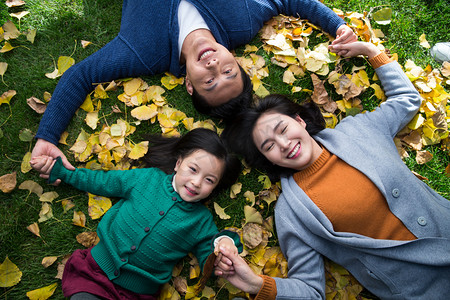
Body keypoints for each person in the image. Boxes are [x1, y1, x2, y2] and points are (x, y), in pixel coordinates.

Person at [216, 42, 450, 299]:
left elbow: (407, 100)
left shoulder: (359, 130)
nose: (283, 144)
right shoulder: (291, 214)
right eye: (269, 146)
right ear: (268, 159)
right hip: (421, 292)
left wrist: (370, 51)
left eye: (282, 129)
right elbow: (311, 291)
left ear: (299, 120)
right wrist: (257, 285)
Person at [31, 0, 357, 179]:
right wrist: (338, 26)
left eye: (209, 81)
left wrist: (47, 137)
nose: (214, 66)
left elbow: (82, 75)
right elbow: (293, 0)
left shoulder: (143, 51)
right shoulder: (243, 19)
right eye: (228, 71)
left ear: (188, 83)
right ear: (235, 58)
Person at [30, 128, 243, 299]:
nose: (196, 183)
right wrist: (62, 172)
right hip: (94, 274)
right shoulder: (147, 179)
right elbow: (102, 182)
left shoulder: (201, 221)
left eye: (209, 180)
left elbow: (210, 252)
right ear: (178, 163)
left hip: (138, 293)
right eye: (193, 169)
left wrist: (224, 247)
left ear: (214, 187)